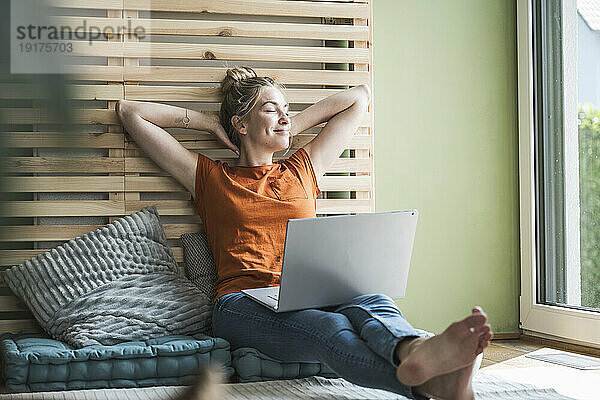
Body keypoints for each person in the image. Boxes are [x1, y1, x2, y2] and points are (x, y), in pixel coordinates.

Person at [116, 66, 493, 400]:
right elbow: (131, 113)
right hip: (242, 302)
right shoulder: (213, 178)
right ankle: (426, 383)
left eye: (286, 109)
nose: (285, 117)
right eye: (270, 109)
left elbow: (359, 98)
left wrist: (289, 123)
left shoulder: (301, 169)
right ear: (241, 124)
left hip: (313, 293)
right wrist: (209, 122)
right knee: (330, 327)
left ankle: (414, 350)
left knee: (373, 300)